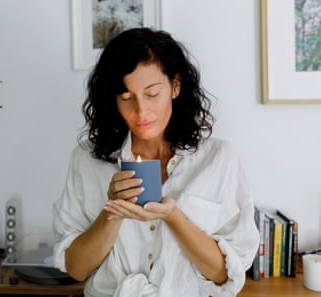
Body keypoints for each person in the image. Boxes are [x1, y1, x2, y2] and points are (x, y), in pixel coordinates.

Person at [52, 28, 259, 297]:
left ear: (175, 86)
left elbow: (223, 275)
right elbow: (76, 269)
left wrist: (173, 216)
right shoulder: (87, 160)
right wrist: (113, 212)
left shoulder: (219, 160)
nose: (141, 112)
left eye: (152, 93)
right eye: (126, 98)